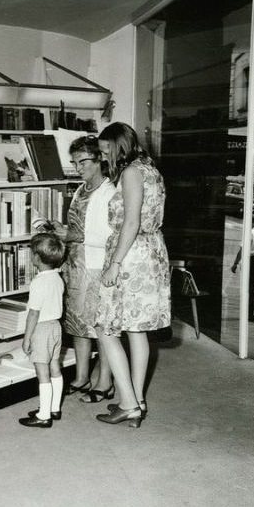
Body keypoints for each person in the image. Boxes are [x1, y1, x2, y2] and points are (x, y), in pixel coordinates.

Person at [94, 122, 170, 428]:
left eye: (104, 151)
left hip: (130, 256)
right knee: (137, 330)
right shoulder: (150, 168)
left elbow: (130, 222)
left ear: (117, 147)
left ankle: (127, 403)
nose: (103, 158)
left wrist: (114, 263)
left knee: (105, 328)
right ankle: (136, 399)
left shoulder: (130, 172)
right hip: (151, 252)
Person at [49, 136, 115, 403]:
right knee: (77, 325)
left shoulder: (109, 192)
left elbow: (111, 237)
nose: (78, 168)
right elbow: (77, 228)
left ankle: (105, 382)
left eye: (83, 161)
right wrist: (63, 232)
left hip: (97, 267)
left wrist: (74, 236)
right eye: (74, 163)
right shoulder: (80, 190)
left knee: (101, 329)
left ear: (99, 159)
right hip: (76, 265)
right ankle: (81, 376)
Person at [18, 232, 66, 428]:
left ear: (37, 258)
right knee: (55, 367)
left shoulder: (38, 282)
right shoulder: (58, 278)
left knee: (42, 372)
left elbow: (33, 314)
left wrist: (26, 337)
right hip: (56, 327)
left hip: (42, 329)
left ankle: (43, 415)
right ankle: (54, 408)